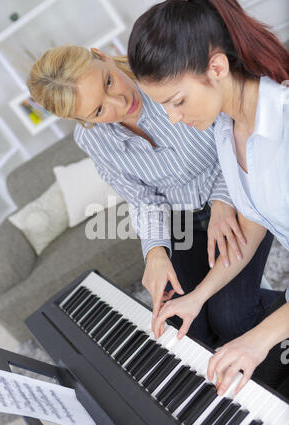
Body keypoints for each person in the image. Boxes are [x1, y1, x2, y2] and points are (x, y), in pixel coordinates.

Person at [28, 44, 280, 353]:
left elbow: (232, 136)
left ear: (103, 56)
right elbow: (141, 198)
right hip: (181, 220)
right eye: (97, 110)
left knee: (231, 320)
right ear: (81, 119)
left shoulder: (166, 76)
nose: (119, 101)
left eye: (108, 81)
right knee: (187, 329)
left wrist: (223, 201)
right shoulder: (91, 138)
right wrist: (156, 253)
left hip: (238, 192)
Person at [127, 0, 289, 395]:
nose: (174, 118)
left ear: (216, 68)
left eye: (177, 101)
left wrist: (259, 339)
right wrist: (197, 298)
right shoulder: (224, 129)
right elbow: (253, 223)